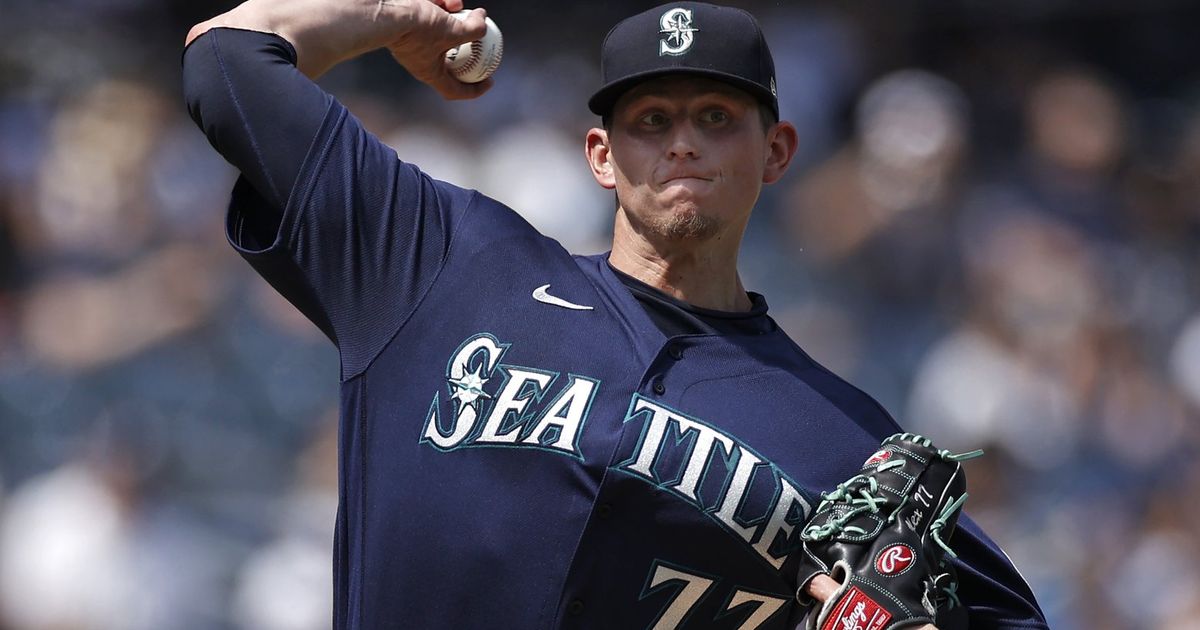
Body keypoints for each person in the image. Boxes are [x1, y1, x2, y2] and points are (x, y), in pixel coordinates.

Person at [182, 1, 1048, 627]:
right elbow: (227, 63)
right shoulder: (447, 264)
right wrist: (389, 15)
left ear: (775, 151)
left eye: (717, 117)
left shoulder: (840, 436)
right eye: (650, 119)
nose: (682, 143)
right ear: (601, 155)